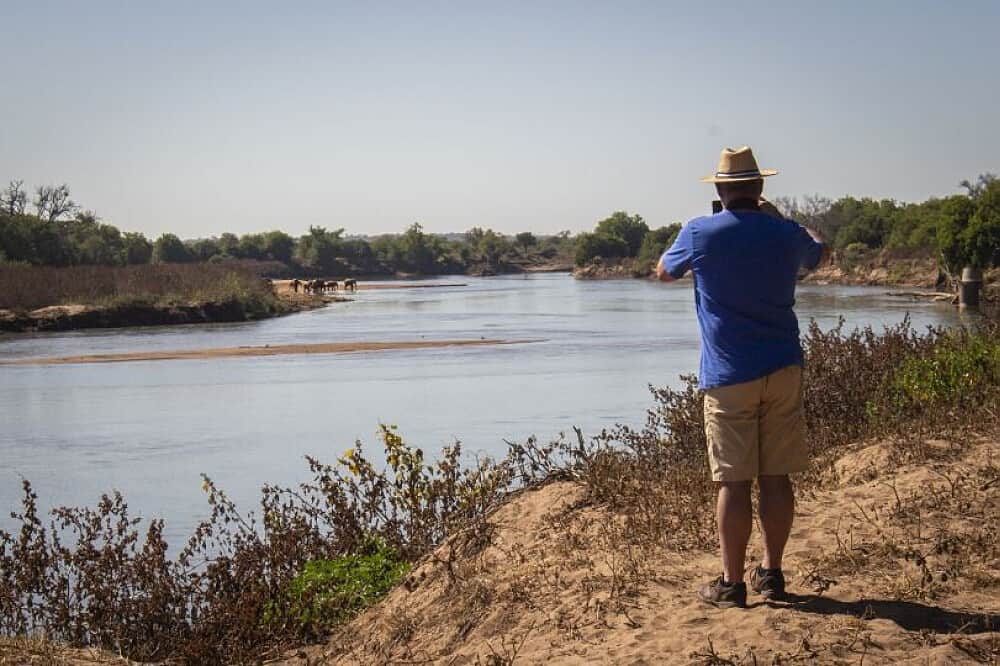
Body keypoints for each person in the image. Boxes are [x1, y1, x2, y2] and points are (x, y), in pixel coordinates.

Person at [656, 146, 830, 609]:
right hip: (783, 366)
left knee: (734, 483)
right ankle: (771, 574)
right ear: (761, 188)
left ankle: (731, 583)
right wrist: (784, 219)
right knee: (776, 476)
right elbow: (820, 253)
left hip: (729, 374)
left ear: (720, 189)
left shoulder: (699, 232)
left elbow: (664, 272)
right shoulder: (786, 233)